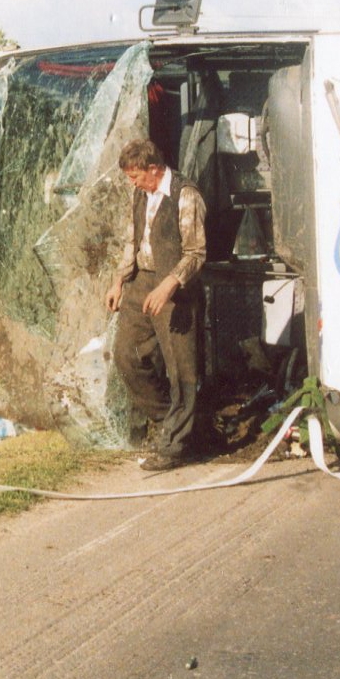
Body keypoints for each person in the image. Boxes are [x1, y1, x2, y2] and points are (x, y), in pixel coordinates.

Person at [103, 138, 208, 472]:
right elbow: (132, 240)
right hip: (141, 282)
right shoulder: (140, 193)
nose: (132, 183)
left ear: (153, 168)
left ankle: (175, 444)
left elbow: (196, 253)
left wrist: (170, 284)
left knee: (181, 369)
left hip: (175, 286)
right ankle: (171, 422)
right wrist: (119, 280)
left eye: (135, 176)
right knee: (126, 355)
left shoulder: (185, 194)